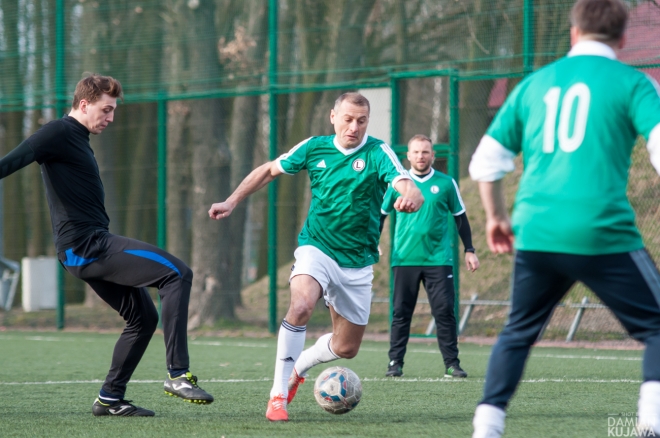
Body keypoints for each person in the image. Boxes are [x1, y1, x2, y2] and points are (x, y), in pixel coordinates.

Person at [468, 0, 660, 436]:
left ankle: (487, 426)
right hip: (602, 234)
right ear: (623, 39)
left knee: (517, 331)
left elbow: (485, 163)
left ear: (573, 34)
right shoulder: (634, 83)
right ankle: (651, 426)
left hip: (536, 232)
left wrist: (497, 217)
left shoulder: (535, 84)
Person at [0, 74, 213, 417]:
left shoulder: (79, 137)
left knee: (143, 318)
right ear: (84, 105)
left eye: (113, 111)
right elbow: (8, 164)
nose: (111, 118)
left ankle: (110, 399)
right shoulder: (56, 132)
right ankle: (178, 374)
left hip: (86, 246)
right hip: (87, 245)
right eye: (106, 109)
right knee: (177, 273)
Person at [209, 92, 424, 422]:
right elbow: (269, 170)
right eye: (348, 119)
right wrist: (231, 200)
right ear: (333, 116)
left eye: (362, 121)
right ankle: (278, 395)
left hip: (357, 261)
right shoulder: (314, 147)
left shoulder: (377, 152)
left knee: (346, 348)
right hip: (317, 247)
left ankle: (300, 368)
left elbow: (405, 183)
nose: (354, 127)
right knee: (301, 305)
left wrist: (411, 196)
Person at [381, 134, 479, 379]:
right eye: (416, 152)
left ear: (433, 156)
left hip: (438, 259)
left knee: (445, 311)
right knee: (401, 312)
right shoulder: (397, 184)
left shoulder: (446, 183)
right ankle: (395, 363)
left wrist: (469, 249)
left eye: (425, 152)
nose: (420, 156)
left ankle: (452, 364)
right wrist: (373, 243)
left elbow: (460, 217)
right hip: (405, 259)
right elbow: (380, 215)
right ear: (408, 156)